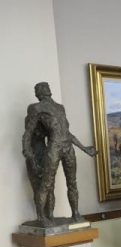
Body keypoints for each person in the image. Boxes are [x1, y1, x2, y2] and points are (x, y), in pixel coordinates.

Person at [22, 82, 97, 225]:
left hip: (68, 147)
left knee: (72, 182)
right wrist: (27, 150)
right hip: (54, 147)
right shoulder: (36, 108)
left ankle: (75, 213)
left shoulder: (60, 108)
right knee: (46, 183)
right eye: (40, 89)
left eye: (39, 89)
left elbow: (67, 133)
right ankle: (41, 217)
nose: (40, 91)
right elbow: (28, 132)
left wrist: (84, 148)